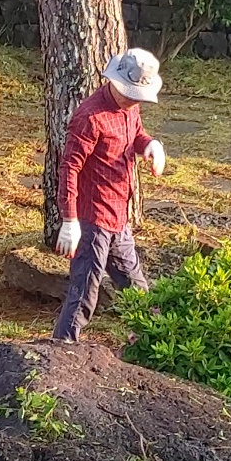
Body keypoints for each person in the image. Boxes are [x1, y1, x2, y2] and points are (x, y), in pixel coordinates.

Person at [52, 49, 168, 344]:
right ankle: (61, 350)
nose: (135, 100)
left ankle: (156, 345)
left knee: (137, 290)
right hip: (92, 221)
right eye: (132, 94)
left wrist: (149, 145)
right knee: (84, 295)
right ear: (116, 82)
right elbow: (69, 167)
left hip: (119, 217)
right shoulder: (90, 117)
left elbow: (136, 134)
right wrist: (70, 220)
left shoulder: (131, 108)